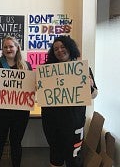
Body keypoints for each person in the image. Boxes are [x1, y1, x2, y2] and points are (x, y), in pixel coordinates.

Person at [41, 35, 98, 167]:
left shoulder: (81, 69)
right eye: (56, 49)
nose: (59, 50)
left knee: (73, 157)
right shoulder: (46, 70)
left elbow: (94, 94)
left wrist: (89, 86)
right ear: (53, 52)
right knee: (55, 155)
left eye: (62, 47)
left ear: (70, 48)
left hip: (74, 122)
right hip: (52, 121)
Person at [0, 36, 32, 167]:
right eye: (5, 47)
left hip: (20, 113)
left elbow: (30, 87)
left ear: (17, 48)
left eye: (11, 46)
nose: (8, 49)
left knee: (16, 142)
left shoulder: (26, 65)